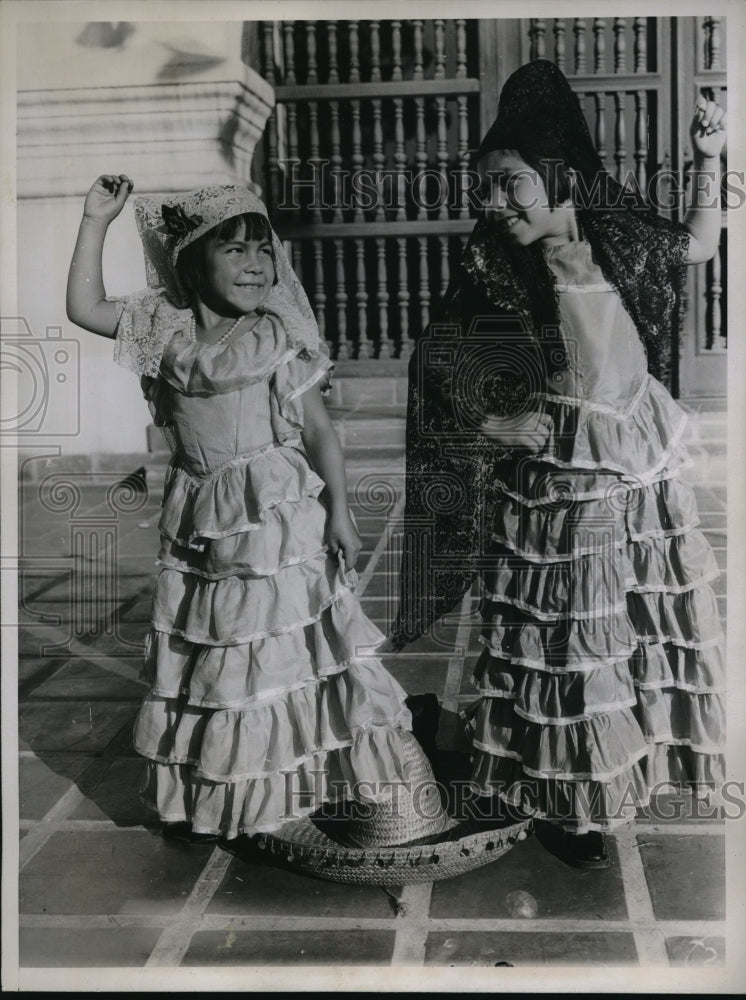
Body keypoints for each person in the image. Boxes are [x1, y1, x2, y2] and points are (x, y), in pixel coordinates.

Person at [388, 59, 726, 869]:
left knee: (633, 626)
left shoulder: (617, 228)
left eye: (508, 184)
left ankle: (622, 767)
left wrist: (710, 156)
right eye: (485, 186)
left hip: (634, 464)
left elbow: (702, 243)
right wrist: (497, 421)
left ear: (560, 175)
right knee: (569, 632)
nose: (491, 203)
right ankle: (569, 801)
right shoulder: (493, 262)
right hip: (562, 484)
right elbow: (438, 358)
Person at [66, 180, 415, 847]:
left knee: (282, 647)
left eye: (264, 251)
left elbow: (317, 433)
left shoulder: (276, 338)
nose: (257, 264)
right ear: (193, 262)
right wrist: (94, 221)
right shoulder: (161, 330)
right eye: (235, 250)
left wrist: (339, 509)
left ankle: (296, 777)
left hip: (276, 515)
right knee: (217, 651)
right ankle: (219, 790)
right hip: (200, 512)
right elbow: (84, 306)